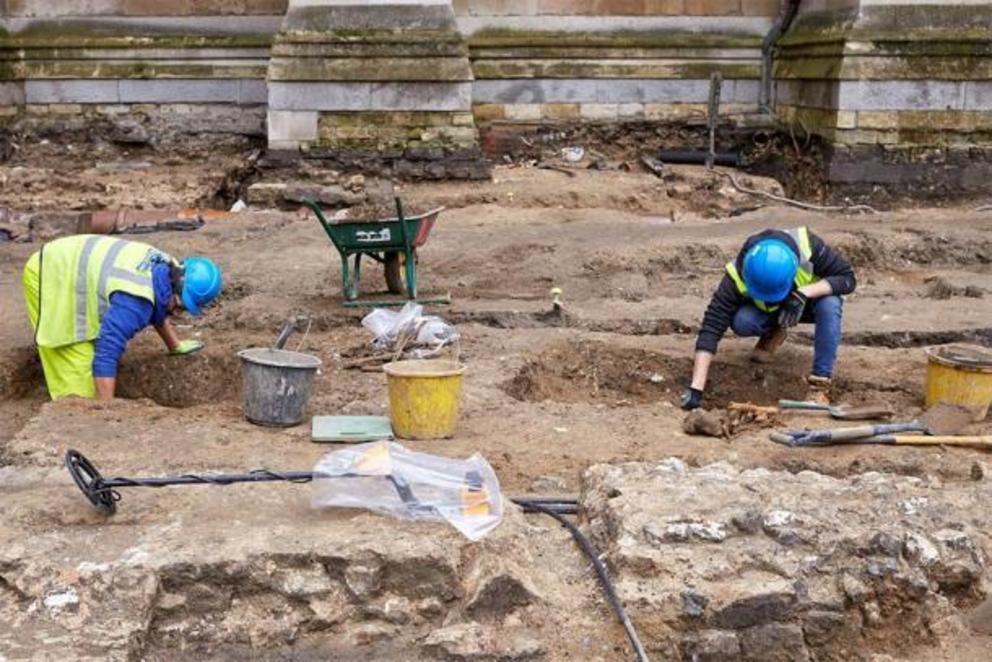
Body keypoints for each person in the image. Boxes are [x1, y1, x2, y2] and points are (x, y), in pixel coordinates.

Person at [22, 234, 222, 400]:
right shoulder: (135, 303)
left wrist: (174, 345)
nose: (179, 313)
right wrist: (107, 410)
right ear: (176, 286)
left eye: (185, 308)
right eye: (180, 306)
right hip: (50, 273)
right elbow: (106, 353)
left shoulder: (166, 267)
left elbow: (159, 305)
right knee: (81, 393)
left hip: (70, 261)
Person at [681, 227, 856, 410]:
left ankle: (820, 384)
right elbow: (712, 325)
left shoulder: (809, 247)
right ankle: (774, 332)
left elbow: (848, 279)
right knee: (743, 321)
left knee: (830, 305)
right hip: (773, 311)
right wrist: (696, 388)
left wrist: (804, 292)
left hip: (807, 304)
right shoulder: (739, 272)